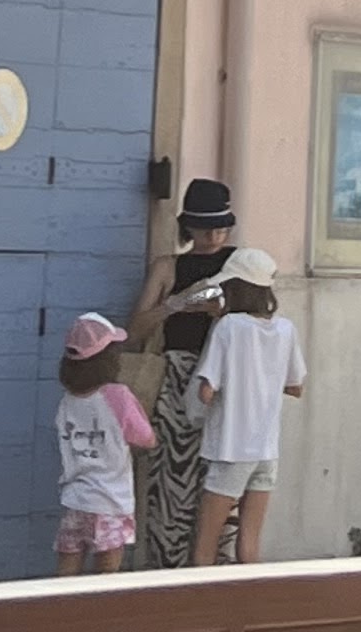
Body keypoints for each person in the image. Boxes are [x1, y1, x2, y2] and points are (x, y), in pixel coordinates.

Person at [130, 175, 237, 567]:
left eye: (222, 227)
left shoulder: (240, 264)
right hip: (177, 379)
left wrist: (220, 310)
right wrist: (177, 304)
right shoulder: (168, 267)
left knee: (222, 486)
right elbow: (134, 329)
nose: (215, 236)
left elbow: (262, 319)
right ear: (188, 226)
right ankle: (168, 575)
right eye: (206, 228)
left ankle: (216, 575)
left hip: (227, 382)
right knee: (170, 486)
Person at [190, 251, 305, 565]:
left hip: (231, 448)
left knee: (206, 545)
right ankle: (251, 595)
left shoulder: (227, 327)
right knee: (250, 544)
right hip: (266, 450)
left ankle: (201, 594)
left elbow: (206, 392)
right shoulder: (286, 329)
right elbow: (296, 387)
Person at [51, 313, 153, 578]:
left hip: (75, 499)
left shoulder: (68, 400)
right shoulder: (117, 396)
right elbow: (146, 438)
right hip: (111, 502)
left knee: (65, 575)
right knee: (106, 577)